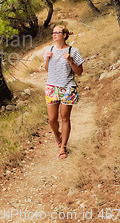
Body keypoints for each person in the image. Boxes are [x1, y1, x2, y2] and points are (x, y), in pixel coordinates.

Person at [44, 25, 84, 159]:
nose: (54, 34)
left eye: (57, 32)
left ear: (64, 35)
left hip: (67, 87)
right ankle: (57, 135)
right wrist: (47, 59)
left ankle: (63, 147)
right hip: (51, 87)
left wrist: (70, 60)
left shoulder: (73, 51)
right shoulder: (49, 50)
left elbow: (79, 72)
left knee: (65, 117)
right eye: (53, 32)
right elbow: (47, 69)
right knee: (52, 119)